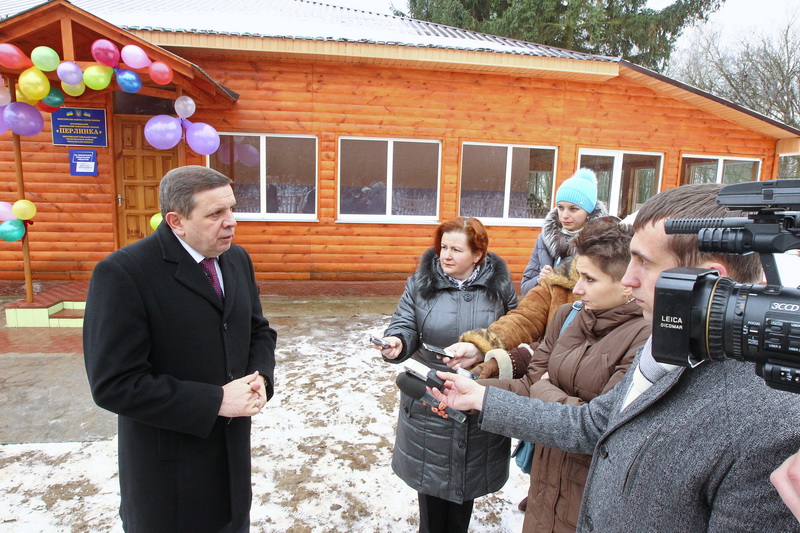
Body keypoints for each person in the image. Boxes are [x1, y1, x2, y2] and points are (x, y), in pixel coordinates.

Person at [430, 183, 800, 532]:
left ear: (707, 279)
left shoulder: (771, 421)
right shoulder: (666, 349)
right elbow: (594, 424)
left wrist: (537, 388)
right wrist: (479, 396)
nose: (628, 280)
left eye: (644, 263)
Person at [83, 165, 277, 533]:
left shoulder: (236, 259)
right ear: (176, 221)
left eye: (232, 208)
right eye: (216, 213)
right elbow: (114, 384)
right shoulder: (124, 273)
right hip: (168, 477)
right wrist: (215, 401)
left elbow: (258, 330)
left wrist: (260, 378)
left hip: (231, 467)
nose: (231, 222)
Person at [374, 216, 518, 533]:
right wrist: (398, 342)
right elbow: (404, 322)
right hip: (431, 401)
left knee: (465, 490)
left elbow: (514, 334)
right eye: (443, 247)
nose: (446, 256)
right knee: (431, 495)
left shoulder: (499, 287)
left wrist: (489, 361)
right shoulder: (420, 283)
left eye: (456, 249)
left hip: (477, 399)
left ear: (477, 255)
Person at [520, 168, 607, 295]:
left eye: (574, 209)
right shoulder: (544, 239)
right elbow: (525, 289)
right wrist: (540, 279)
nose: (565, 215)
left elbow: (604, 291)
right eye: (560, 208)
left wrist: (558, 280)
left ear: (589, 212)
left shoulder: (601, 242)